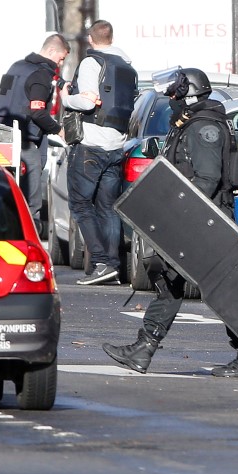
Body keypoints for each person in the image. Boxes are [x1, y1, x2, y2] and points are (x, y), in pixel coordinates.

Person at [102, 67, 238, 378]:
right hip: (193, 219)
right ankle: (143, 348)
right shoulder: (190, 122)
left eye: (175, 90)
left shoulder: (205, 128)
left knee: (224, 291)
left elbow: (207, 178)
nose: (171, 96)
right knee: (169, 281)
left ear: (189, 92)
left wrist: (180, 212)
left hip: (205, 221)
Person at [61, 20, 137, 285]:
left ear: (91, 40)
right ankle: (113, 266)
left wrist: (65, 98)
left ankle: (102, 262)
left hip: (91, 145)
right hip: (117, 146)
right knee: (108, 207)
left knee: (81, 204)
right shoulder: (128, 67)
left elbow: (86, 100)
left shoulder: (91, 63)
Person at [0, 33, 70, 234]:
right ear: (52, 51)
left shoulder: (17, 66)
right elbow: (37, 112)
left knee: (2, 195)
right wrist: (58, 130)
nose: (60, 63)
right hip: (23, 141)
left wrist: (62, 83)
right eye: (61, 58)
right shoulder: (41, 74)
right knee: (31, 202)